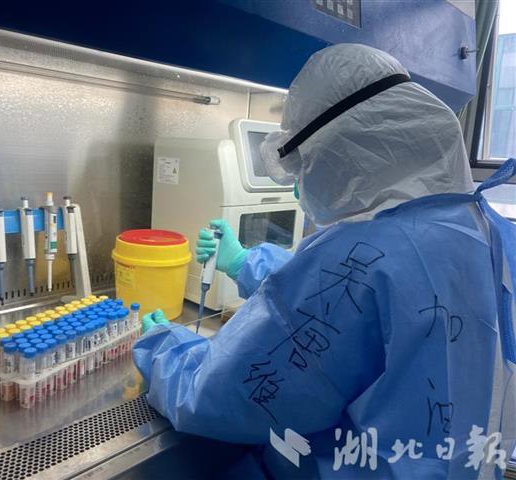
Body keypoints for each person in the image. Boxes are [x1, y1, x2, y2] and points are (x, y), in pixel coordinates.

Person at [133, 43, 516, 478]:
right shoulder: (490, 231)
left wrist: (164, 348)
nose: (301, 185)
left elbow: (224, 399)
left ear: (341, 154)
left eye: (304, 165)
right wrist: (244, 263)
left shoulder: (363, 249)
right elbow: (358, 306)